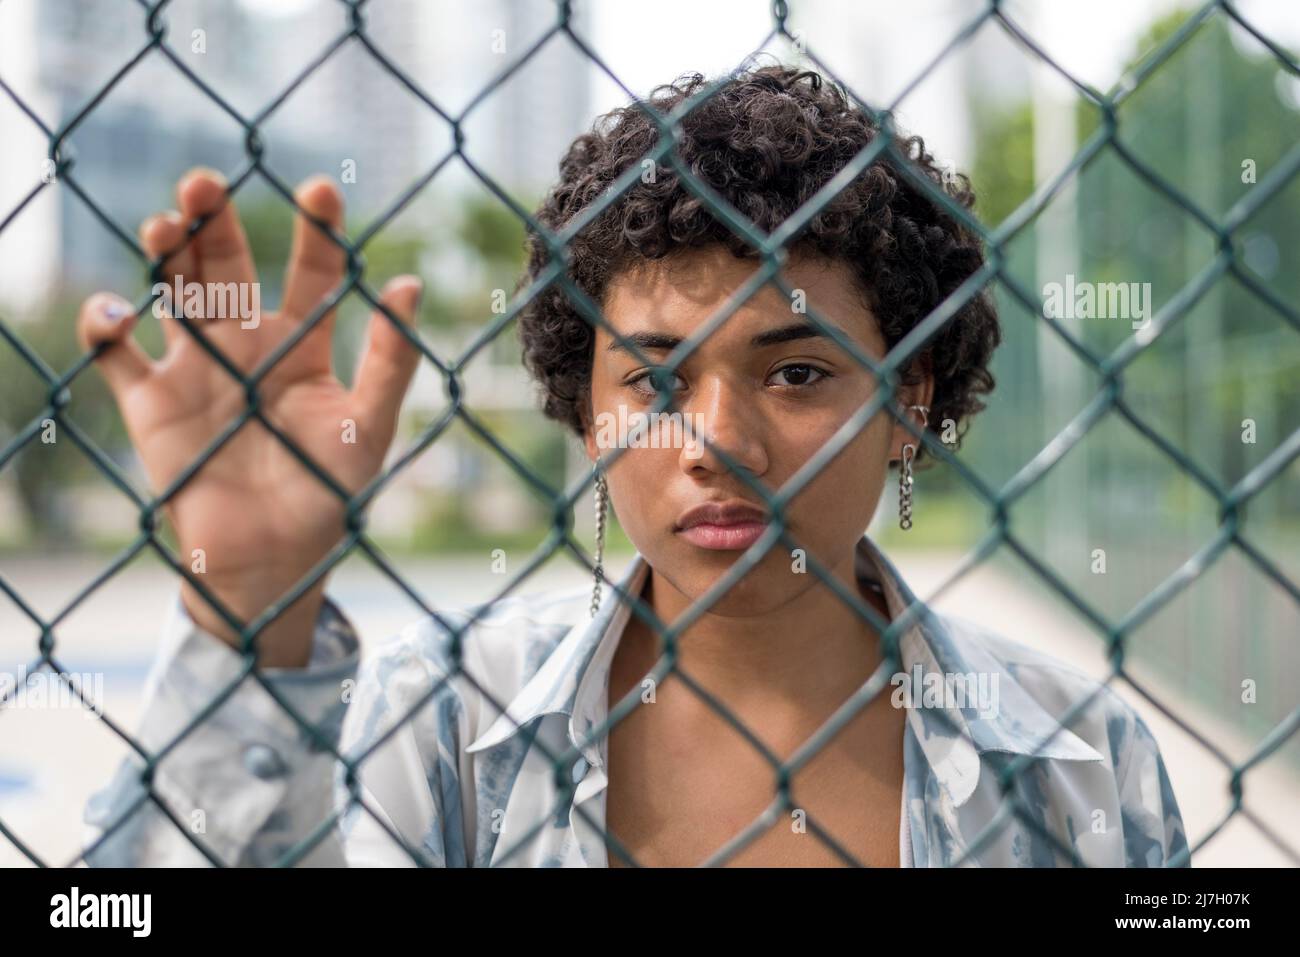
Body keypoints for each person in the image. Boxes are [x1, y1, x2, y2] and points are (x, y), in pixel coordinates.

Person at [77, 63, 1187, 867]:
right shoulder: (449, 725)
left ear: (911, 397)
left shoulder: (1077, 758)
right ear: (586, 409)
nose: (716, 444)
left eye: (796, 374)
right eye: (653, 383)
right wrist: (249, 614)